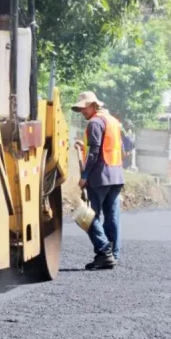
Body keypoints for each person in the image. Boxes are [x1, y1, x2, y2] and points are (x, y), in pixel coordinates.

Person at [71, 91, 124, 270]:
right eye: (80, 109)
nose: (82, 111)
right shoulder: (112, 121)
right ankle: (113, 254)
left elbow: (94, 152)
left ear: (93, 105)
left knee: (88, 216)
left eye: (84, 107)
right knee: (112, 216)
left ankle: (103, 251)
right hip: (116, 175)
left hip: (99, 176)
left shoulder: (94, 122)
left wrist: (84, 176)